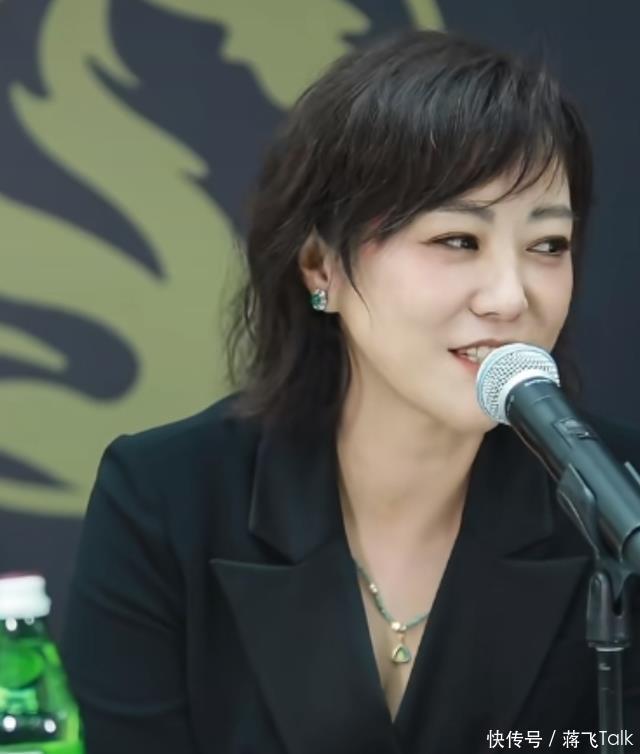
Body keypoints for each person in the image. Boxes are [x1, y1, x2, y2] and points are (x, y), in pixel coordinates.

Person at [61, 28, 640, 754]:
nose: (510, 296)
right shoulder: (166, 497)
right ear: (321, 266)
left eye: (547, 245)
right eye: (457, 240)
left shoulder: (619, 501)